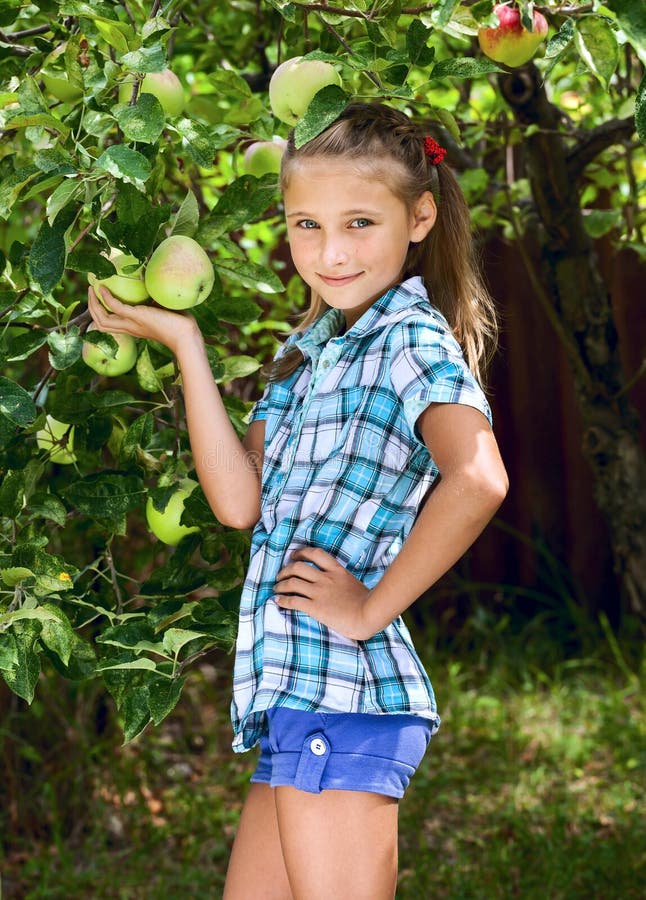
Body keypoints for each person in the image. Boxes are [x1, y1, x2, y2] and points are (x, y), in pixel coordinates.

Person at [88, 101, 508, 900]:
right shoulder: (309, 353)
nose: (330, 251)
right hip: (297, 695)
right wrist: (186, 345)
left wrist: (368, 608)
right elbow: (239, 504)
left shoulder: (407, 340)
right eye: (305, 225)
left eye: (357, 223)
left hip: (344, 697)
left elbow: (480, 477)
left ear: (420, 216)